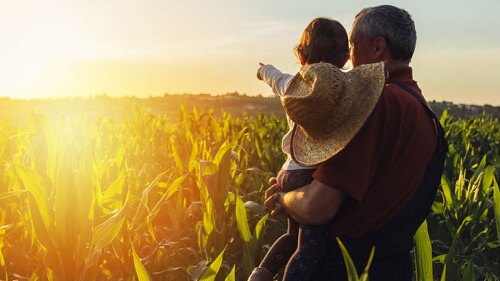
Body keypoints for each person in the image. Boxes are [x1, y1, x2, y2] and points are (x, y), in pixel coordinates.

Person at [264, 5, 447, 281]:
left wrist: (284, 198)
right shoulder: (426, 114)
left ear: (377, 48)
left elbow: (317, 207)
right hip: (392, 268)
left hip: (346, 268)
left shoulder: (375, 107)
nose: (348, 56)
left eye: (352, 44)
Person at [248, 18, 350, 281]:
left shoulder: (292, 85)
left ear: (301, 55)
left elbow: (275, 77)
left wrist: (263, 70)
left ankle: (261, 273)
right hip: (310, 174)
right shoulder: (341, 95)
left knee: (291, 236)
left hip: (288, 172)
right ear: (346, 58)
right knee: (308, 247)